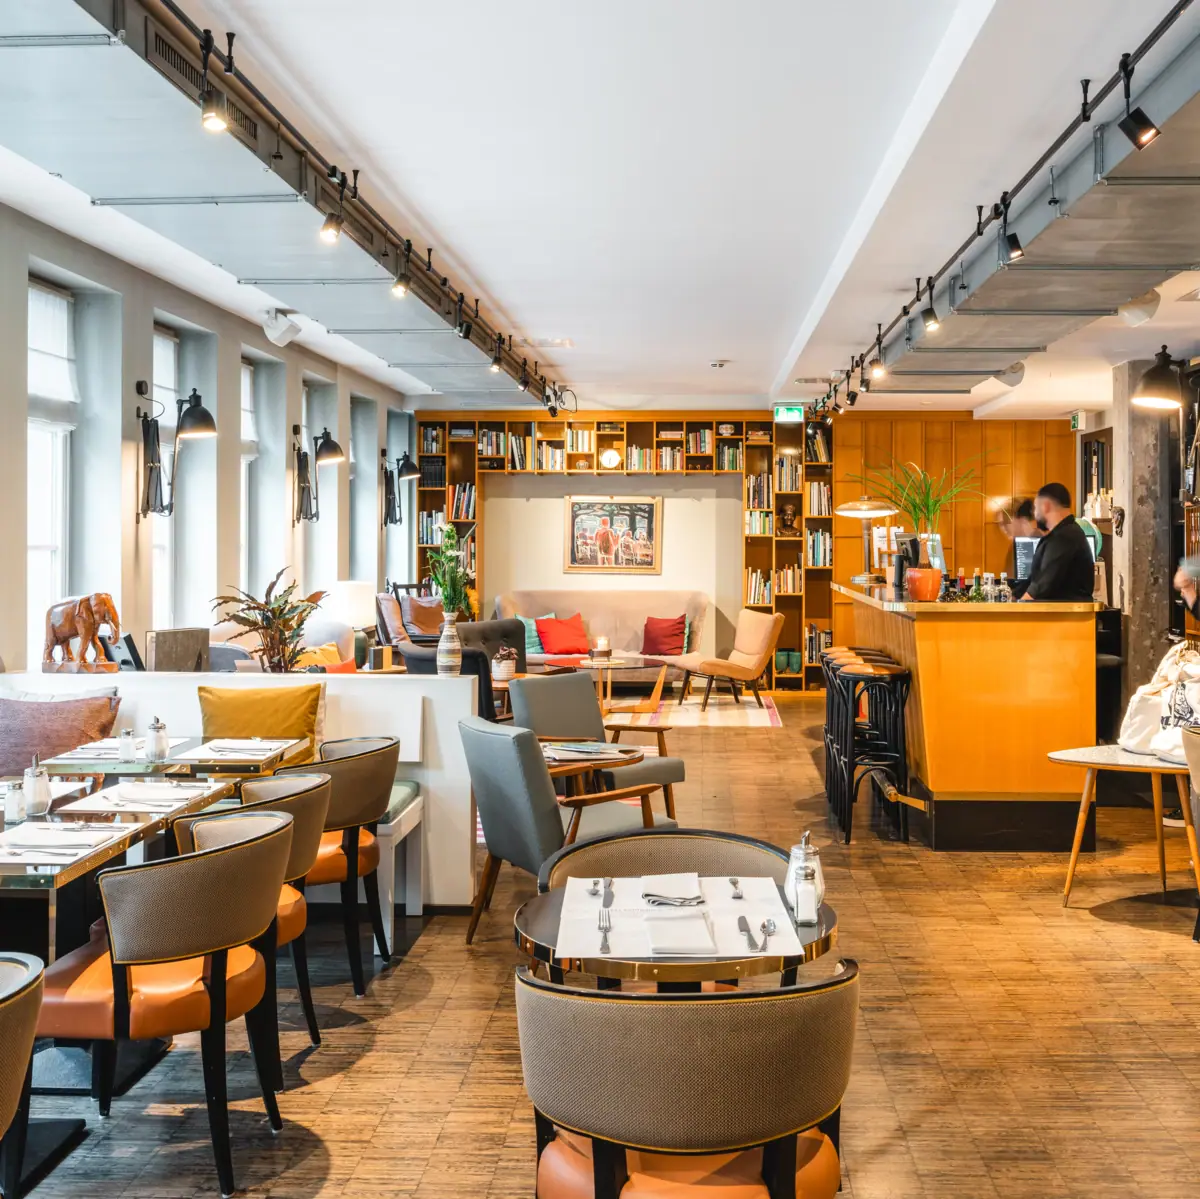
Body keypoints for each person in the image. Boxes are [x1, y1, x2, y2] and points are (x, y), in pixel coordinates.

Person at [1018, 483, 1095, 602]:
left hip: (1066, 617)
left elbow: (1043, 585)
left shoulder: (1065, 537)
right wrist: (1013, 596)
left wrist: (1017, 607)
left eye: (1036, 508)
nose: (1035, 514)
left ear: (1045, 506)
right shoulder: (1059, 535)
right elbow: (1034, 580)